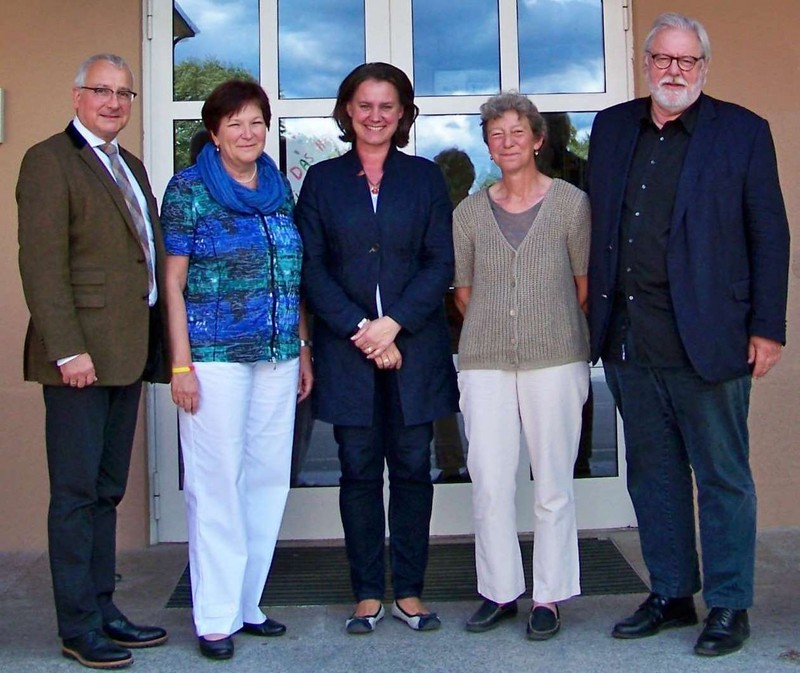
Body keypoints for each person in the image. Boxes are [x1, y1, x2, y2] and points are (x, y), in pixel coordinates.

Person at [586, 12, 790, 657]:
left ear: (704, 66)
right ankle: (672, 593)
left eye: (688, 61)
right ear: (647, 63)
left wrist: (768, 327)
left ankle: (729, 604)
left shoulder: (743, 132)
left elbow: (770, 233)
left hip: (712, 338)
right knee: (653, 475)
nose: (675, 71)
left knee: (724, 477)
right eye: (664, 60)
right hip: (630, 336)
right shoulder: (614, 127)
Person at [17, 53, 169, 670]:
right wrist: (67, 349)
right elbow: (43, 266)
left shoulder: (128, 165)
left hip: (126, 354)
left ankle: (103, 609)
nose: (114, 102)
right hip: (79, 359)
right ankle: (76, 626)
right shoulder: (49, 161)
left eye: (124, 94)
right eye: (101, 91)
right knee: (76, 495)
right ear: (77, 95)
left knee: (106, 491)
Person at [295, 62, 459, 634]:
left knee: (414, 467)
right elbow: (311, 268)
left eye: (387, 106)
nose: (375, 115)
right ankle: (367, 592)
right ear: (346, 110)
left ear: (404, 114)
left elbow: (441, 261)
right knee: (358, 469)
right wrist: (362, 330)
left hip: (414, 348)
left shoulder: (426, 178)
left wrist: (392, 326)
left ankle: (410, 591)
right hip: (349, 351)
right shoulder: (321, 182)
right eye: (364, 105)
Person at [160, 79, 313, 660]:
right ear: (215, 131)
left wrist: (302, 346)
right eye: (235, 123)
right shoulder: (190, 190)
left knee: (268, 480)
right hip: (214, 359)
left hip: (276, 356)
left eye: (257, 122)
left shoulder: (278, 189)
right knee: (216, 486)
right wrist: (181, 365)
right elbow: (171, 283)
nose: (248, 133)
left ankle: (248, 604)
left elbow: (292, 275)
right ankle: (214, 617)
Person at [453, 92, 590, 640]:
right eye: (495, 134)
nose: (506, 142)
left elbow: (584, 286)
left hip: (555, 358)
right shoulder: (467, 211)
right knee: (489, 481)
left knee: (552, 481)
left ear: (537, 139)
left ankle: (549, 596)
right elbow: (463, 292)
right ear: (486, 145)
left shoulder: (571, 204)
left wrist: (537, 326)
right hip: (484, 361)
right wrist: (499, 329)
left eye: (516, 132)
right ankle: (499, 590)